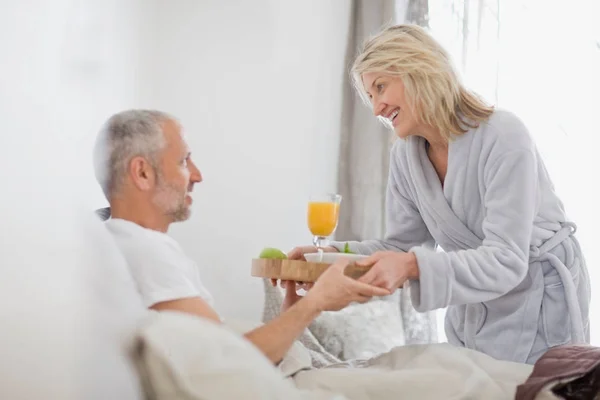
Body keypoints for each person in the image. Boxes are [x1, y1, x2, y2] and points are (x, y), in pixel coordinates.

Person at [289, 24, 590, 364]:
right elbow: (400, 248)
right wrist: (331, 255)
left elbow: (507, 258)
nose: (376, 109)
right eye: (370, 96)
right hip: (475, 303)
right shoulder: (406, 156)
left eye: (381, 86)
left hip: (538, 299)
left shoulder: (503, 135)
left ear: (417, 67)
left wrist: (413, 265)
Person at [92, 109, 390, 365]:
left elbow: (234, 361)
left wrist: (297, 303)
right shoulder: (143, 251)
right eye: (184, 161)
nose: (197, 175)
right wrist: (316, 302)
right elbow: (231, 363)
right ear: (142, 173)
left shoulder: (129, 244)